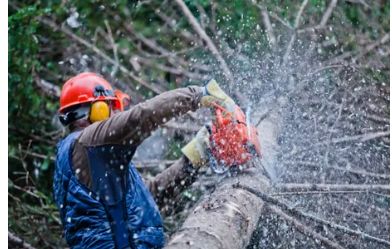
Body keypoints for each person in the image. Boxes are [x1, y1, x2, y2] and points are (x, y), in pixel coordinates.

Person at [53, 72, 235, 249]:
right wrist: (199, 94)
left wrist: (193, 159)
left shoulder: (92, 155)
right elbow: (141, 117)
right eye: (110, 107)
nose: (114, 114)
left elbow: (147, 199)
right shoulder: (89, 143)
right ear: (96, 110)